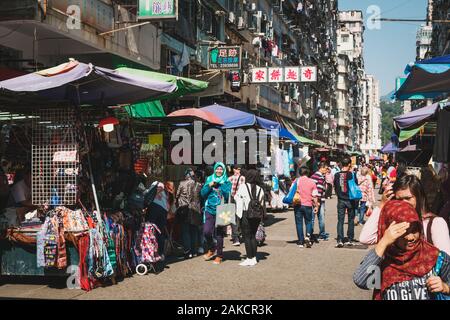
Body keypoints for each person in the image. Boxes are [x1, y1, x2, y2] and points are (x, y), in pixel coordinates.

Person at [353, 200, 450, 300]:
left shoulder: (435, 257)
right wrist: (383, 242)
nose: (411, 237)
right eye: (403, 232)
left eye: (414, 230)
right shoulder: (381, 259)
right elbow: (361, 281)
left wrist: (445, 287)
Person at [359, 174, 450, 255]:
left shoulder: (435, 223)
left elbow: (446, 261)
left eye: (408, 198)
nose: (403, 203)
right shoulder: (393, 223)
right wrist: (382, 205)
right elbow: (365, 238)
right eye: (399, 199)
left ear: (419, 197)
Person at [201, 162, 232, 265]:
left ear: (223, 170)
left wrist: (222, 185)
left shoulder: (226, 181)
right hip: (209, 209)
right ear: (214, 170)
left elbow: (228, 195)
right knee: (206, 232)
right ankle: (212, 248)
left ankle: (219, 255)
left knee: (219, 234)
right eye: (217, 169)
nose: (219, 171)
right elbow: (202, 194)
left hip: (221, 210)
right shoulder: (209, 179)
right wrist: (209, 186)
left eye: (221, 169)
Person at [234, 169, 266, 267]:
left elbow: (237, 198)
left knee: (247, 236)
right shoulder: (260, 189)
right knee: (253, 236)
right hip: (256, 215)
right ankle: (254, 258)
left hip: (245, 214)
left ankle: (249, 258)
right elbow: (262, 202)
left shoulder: (243, 186)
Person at [176, 169, 202, 259]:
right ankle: (194, 251)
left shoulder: (182, 183)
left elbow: (177, 195)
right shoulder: (199, 185)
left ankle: (187, 251)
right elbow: (201, 197)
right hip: (196, 210)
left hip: (185, 209)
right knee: (194, 231)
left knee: (185, 231)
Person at [334, 157, 357, 248]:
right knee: (350, 220)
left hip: (340, 199)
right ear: (349, 165)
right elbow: (355, 186)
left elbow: (335, 187)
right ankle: (350, 239)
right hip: (350, 200)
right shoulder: (351, 174)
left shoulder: (336, 175)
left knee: (340, 220)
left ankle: (340, 239)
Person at [294, 166, 319, 248]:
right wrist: (316, 206)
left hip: (298, 204)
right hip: (308, 205)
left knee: (299, 223)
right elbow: (315, 195)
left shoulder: (296, 181)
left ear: (300, 173)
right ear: (308, 172)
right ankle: (308, 236)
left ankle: (300, 241)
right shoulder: (312, 182)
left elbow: (291, 191)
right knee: (308, 221)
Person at [145, 181, 170, 258]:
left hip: (153, 209)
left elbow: (146, 196)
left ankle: (151, 252)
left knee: (150, 230)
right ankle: (160, 253)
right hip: (163, 211)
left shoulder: (152, 189)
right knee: (160, 232)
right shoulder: (164, 194)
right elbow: (168, 206)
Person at [310, 162, 330, 241]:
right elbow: (319, 190)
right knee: (321, 217)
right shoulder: (320, 177)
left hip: (311, 199)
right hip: (319, 200)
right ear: (321, 168)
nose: (327, 170)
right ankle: (322, 234)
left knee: (312, 218)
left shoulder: (313, 176)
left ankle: (310, 233)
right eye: (326, 168)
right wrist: (317, 202)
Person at [228, 165, 245, 246]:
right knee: (239, 217)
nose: (239, 170)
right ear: (234, 169)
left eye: (239, 169)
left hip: (232, 199)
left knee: (233, 217)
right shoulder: (243, 178)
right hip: (240, 199)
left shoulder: (230, 178)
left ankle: (236, 237)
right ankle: (238, 235)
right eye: (237, 169)